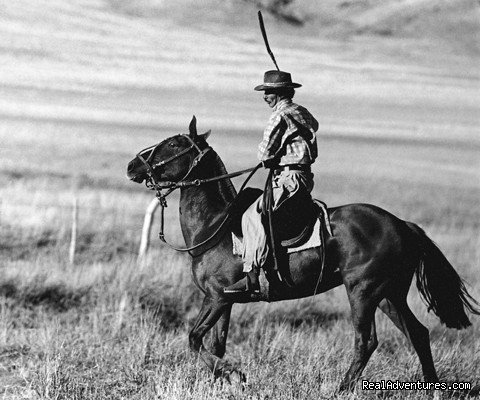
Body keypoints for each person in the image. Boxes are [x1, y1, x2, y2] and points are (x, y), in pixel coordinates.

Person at [224, 70, 319, 294]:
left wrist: (272, 157)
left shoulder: (280, 116)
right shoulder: (301, 111)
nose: (265, 96)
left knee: (251, 215)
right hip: (302, 176)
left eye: (268, 91)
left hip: (289, 178)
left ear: (278, 93)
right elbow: (314, 126)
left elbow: (264, 154)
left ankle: (252, 276)